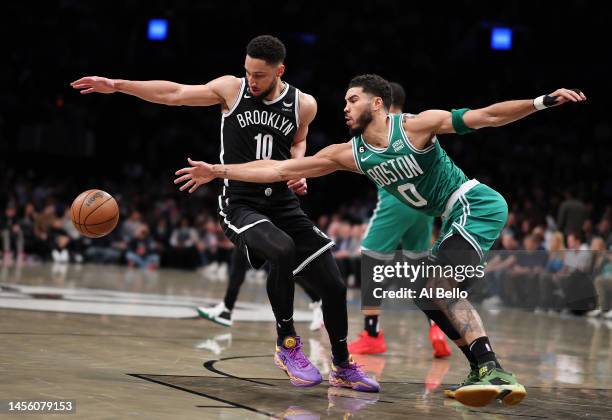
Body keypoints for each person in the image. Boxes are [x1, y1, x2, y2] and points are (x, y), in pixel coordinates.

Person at [175, 74, 585, 406]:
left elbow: (486, 117)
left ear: (376, 103)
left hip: (475, 204)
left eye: (352, 99)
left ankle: (493, 367)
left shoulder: (416, 127)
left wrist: (540, 102)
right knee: (425, 294)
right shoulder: (350, 154)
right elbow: (279, 168)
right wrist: (220, 171)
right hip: (450, 216)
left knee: (436, 284)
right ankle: (481, 367)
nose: (345, 107)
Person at [72, 35, 378, 392]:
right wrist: (118, 85)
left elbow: (298, 141)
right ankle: (287, 344)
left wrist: (298, 168)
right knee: (281, 250)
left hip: (282, 203)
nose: (251, 79)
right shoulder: (231, 90)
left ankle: (342, 366)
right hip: (241, 203)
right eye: (248, 71)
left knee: (335, 284)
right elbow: (174, 93)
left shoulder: (303, 104)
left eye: (260, 75)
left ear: (280, 71)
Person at [347, 81, 451, 358]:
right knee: (418, 269)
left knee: (371, 260)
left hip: (397, 204)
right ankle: (437, 327)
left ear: (380, 103)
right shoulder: (415, 124)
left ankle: (371, 334)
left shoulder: (386, 128)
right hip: (424, 207)